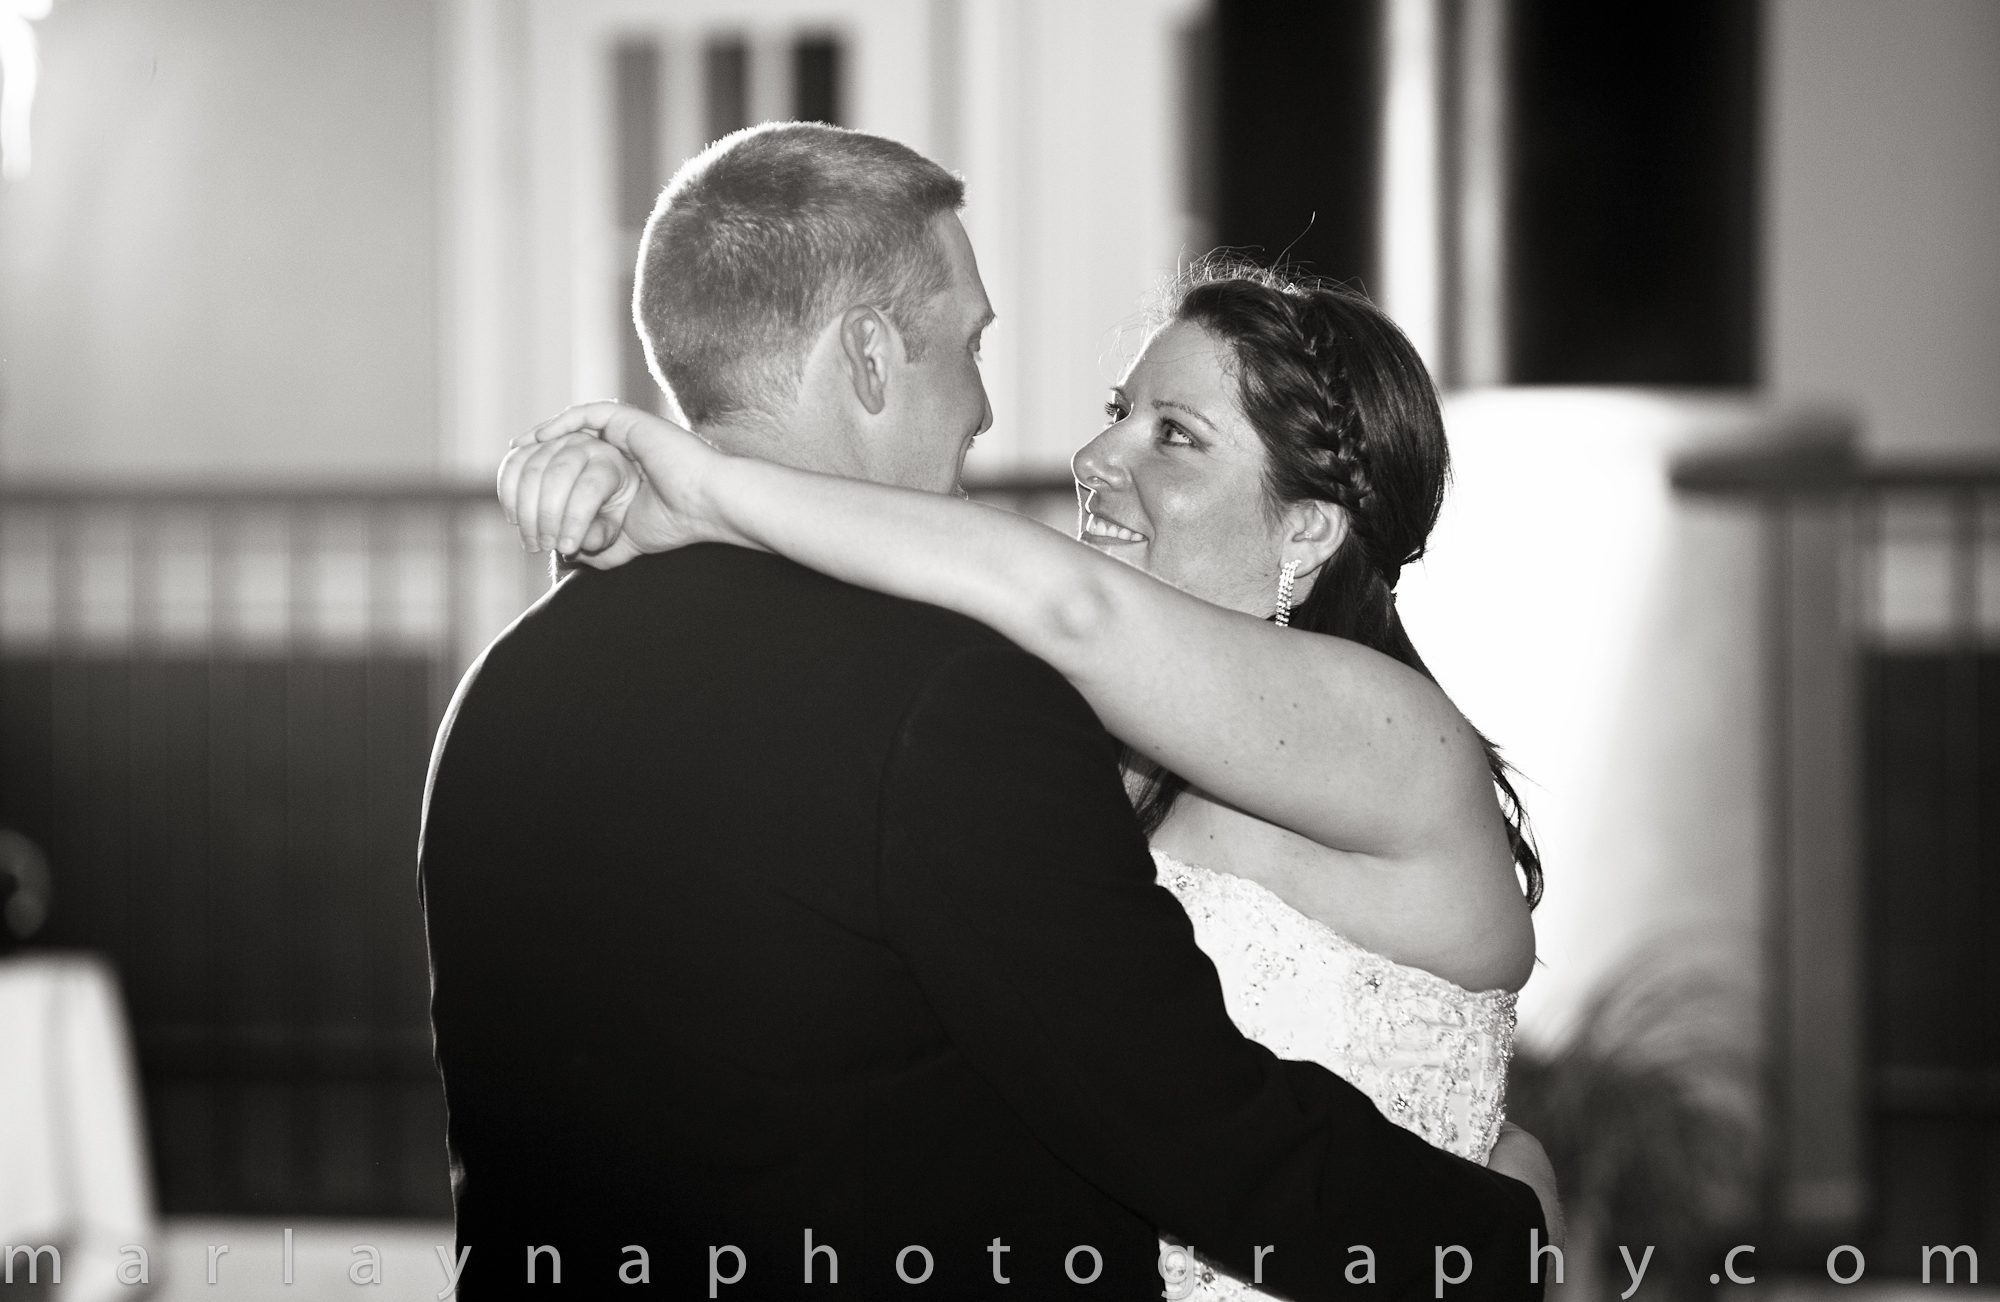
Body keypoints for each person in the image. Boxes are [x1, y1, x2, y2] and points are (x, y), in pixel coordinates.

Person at [426, 120, 1554, 1301]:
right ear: (870, 358)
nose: (1079, 449)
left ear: (1309, 527)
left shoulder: (502, 685)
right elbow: (1166, 1112)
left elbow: (1060, 604)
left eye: (1172, 434)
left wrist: (703, 490)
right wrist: (1501, 1235)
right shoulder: (982, 714)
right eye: (973, 346)